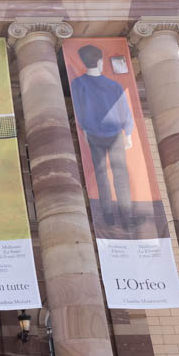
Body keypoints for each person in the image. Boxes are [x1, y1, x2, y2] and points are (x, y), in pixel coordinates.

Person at [69, 44, 134, 229]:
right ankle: (126, 218)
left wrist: (84, 132)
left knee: (101, 176)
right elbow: (124, 112)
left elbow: (79, 112)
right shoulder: (113, 85)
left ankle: (107, 215)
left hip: (93, 136)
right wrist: (128, 134)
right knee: (120, 175)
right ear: (99, 61)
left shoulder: (78, 84)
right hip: (115, 135)